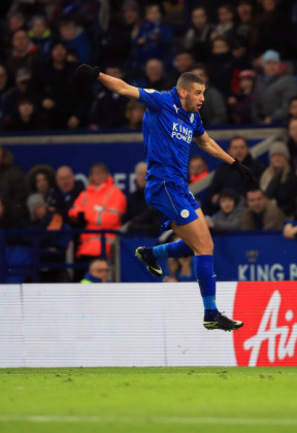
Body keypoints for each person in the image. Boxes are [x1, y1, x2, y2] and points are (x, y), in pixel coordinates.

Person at [73, 65, 255, 331]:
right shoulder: (161, 101)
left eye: (204, 93)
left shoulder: (193, 117)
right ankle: (211, 313)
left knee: (201, 245)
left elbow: (205, 142)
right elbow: (125, 88)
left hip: (180, 187)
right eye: (198, 93)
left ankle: (150, 253)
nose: (203, 98)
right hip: (163, 186)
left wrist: (234, 162)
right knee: (204, 248)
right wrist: (97, 75)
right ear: (183, 92)